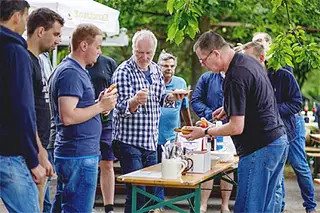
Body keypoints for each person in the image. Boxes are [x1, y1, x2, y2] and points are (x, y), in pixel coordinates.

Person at [182, 31, 288, 213]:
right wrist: (228, 108)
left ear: (216, 53)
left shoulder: (234, 75)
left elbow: (236, 127)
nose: (202, 64)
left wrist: (205, 132)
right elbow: (255, 98)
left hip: (259, 147)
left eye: (203, 59)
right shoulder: (246, 62)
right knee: (265, 208)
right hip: (277, 141)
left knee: (248, 208)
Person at [112, 29, 187, 213]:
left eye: (148, 53)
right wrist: (134, 101)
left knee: (151, 193)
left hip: (151, 141)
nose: (144, 57)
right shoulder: (123, 71)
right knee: (137, 191)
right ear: (133, 49)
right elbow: (117, 108)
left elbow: (159, 97)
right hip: (129, 141)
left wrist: (171, 98)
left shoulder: (155, 69)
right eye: (140, 53)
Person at [49, 23, 117, 212]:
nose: (99, 51)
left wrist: (98, 102)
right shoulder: (71, 72)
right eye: (97, 46)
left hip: (77, 153)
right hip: (78, 154)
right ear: (84, 46)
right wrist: (100, 106)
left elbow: (77, 108)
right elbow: (68, 116)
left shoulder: (76, 70)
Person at [251, 33, 317, 213]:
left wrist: (271, 109)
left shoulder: (282, 66)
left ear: (270, 45)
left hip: (291, 123)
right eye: (255, 41)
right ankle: (278, 208)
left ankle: (310, 206)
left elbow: (295, 103)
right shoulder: (254, 69)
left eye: (261, 41)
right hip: (272, 127)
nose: (258, 44)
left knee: (299, 165)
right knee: (277, 172)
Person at [0, 1, 46, 212]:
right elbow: (23, 108)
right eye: (26, 18)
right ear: (17, 17)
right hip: (9, 154)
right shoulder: (16, 52)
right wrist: (33, 159)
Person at [26, 7, 64, 212]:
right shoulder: (24, 60)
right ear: (41, 31)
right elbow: (24, 111)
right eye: (56, 34)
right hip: (27, 154)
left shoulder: (40, 61)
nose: (58, 41)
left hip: (37, 149)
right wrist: (39, 154)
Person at [191, 70, 235, 213]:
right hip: (209, 127)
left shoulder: (237, 76)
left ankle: (225, 206)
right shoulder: (206, 77)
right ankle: (203, 205)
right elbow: (195, 100)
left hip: (232, 127)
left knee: (228, 166)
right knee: (207, 164)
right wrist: (211, 114)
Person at [155, 50, 193, 211]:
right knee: (156, 172)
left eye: (171, 66)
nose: (168, 68)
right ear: (158, 66)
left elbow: (184, 108)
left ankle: (187, 203)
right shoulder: (153, 82)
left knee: (172, 170)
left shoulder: (180, 83)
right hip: (153, 137)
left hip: (172, 136)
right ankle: (157, 205)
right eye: (164, 65)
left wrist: (189, 127)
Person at [87, 54, 118, 213]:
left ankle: (109, 207)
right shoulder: (79, 62)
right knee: (90, 164)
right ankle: (88, 205)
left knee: (107, 164)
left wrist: (110, 106)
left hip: (107, 122)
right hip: (86, 121)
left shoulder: (109, 62)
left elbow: (116, 89)